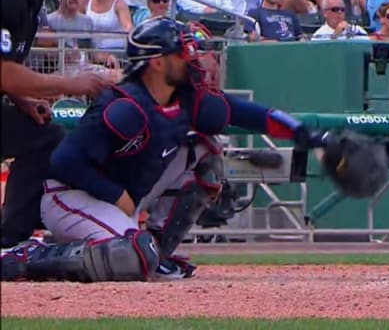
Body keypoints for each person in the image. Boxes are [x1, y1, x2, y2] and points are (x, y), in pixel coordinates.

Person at [1, 17, 319, 282]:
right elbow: (65, 163)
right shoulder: (125, 106)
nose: (191, 59)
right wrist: (116, 196)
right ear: (156, 62)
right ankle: (32, 254)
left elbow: (244, 113)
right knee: (132, 255)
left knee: (205, 151)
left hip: (120, 197)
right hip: (68, 196)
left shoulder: (185, 97)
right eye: (181, 53)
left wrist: (303, 133)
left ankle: (157, 250)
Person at [1, 0, 115, 249]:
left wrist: (24, 99)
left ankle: (9, 241)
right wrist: (72, 83)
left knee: (42, 137)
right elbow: (4, 72)